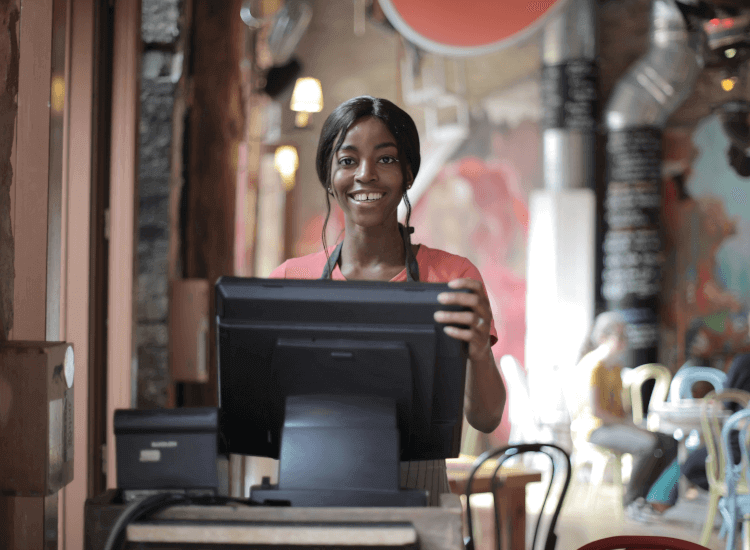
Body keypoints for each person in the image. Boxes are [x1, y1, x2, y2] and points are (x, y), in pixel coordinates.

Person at [268, 95, 507, 506]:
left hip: (420, 489)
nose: (366, 175)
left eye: (386, 159)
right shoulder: (290, 280)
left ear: (409, 173)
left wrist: (481, 349)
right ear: (328, 176)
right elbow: (265, 413)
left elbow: (484, 417)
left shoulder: (452, 278)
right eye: (347, 161)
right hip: (311, 485)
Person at [640, 312, 750, 520]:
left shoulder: (744, 363)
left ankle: (658, 505)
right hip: (738, 446)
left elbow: (723, 405)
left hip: (740, 452)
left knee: (692, 463)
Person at [567, 312, 678, 512]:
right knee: (648, 444)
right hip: (596, 429)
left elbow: (621, 409)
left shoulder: (616, 367)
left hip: (616, 424)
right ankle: (632, 500)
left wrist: (636, 424)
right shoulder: (594, 366)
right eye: (619, 336)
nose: (623, 342)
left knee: (670, 442)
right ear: (603, 338)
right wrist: (632, 426)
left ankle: (648, 497)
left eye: (625, 337)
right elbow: (598, 412)